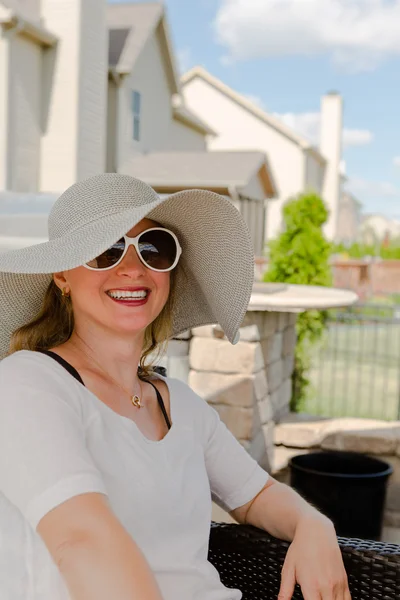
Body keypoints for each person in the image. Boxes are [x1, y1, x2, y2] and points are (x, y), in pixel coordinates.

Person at [0, 174, 351, 600]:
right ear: (62, 275)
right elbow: (80, 540)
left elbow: (256, 494)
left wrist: (313, 524)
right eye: (106, 249)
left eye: (154, 248)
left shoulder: (181, 404)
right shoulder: (28, 384)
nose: (133, 268)